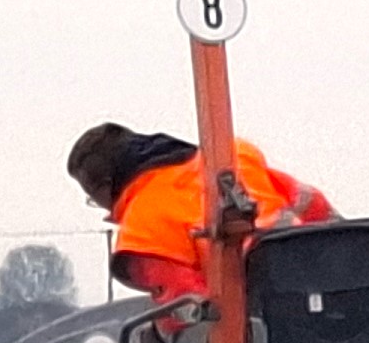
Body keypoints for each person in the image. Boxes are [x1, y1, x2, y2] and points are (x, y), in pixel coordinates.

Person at [68, 122, 333, 300]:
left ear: (103, 188)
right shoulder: (235, 155)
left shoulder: (143, 227)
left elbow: (188, 308)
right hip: (335, 283)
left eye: (93, 199)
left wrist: (158, 339)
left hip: (270, 320)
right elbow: (317, 209)